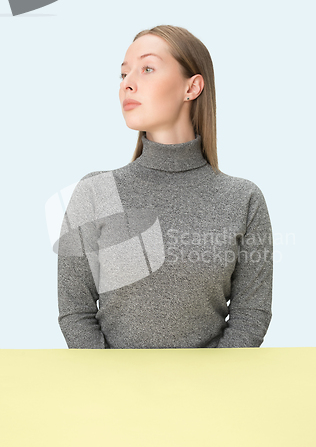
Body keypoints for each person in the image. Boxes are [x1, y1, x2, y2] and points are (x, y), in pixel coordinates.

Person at [57, 25, 273, 349]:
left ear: (192, 87)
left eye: (147, 68)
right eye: (123, 74)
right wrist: (112, 385)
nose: (127, 83)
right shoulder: (95, 192)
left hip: (210, 395)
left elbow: (251, 316)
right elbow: (75, 312)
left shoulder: (244, 200)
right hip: (113, 395)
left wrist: (210, 388)